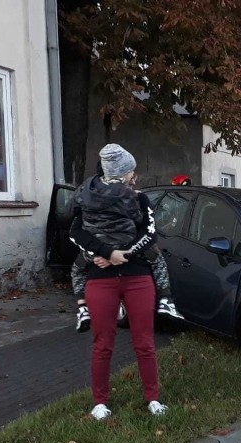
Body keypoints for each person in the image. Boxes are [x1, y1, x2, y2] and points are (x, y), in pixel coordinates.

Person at [69, 143, 169, 420]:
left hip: (138, 277)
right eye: (131, 171)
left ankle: (153, 398)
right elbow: (75, 233)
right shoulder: (85, 199)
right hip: (101, 281)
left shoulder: (140, 200)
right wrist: (106, 253)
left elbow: (149, 235)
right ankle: (99, 402)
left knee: (145, 343)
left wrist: (119, 255)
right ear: (124, 173)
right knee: (103, 343)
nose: (134, 176)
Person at [71, 163, 183, 333]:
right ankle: (166, 299)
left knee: (77, 270)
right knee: (157, 259)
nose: (133, 178)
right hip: (125, 248)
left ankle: (82, 307)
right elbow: (146, 230)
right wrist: (116, 253)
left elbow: (75, 231)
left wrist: (103, 253)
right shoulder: (131, 197)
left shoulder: (86, 196)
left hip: (96, 249)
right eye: (131, 173)